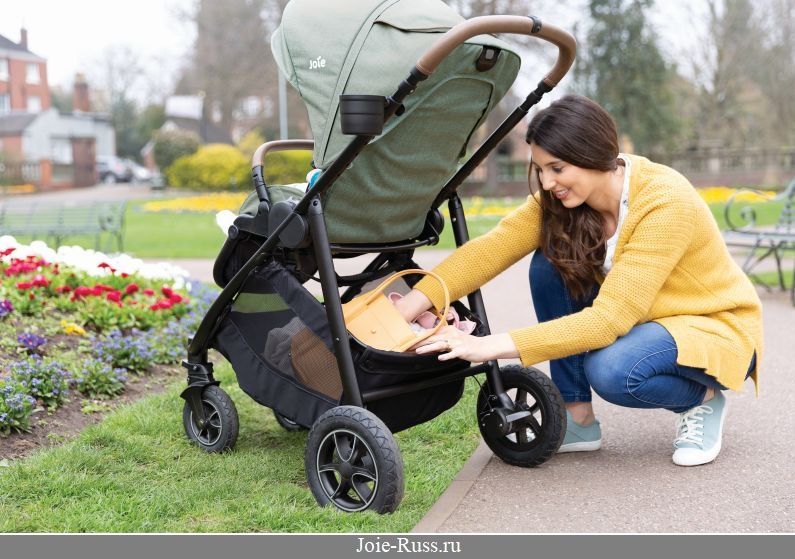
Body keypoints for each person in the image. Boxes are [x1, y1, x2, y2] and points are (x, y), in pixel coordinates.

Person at [394, 95, 763, 467]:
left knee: (613, 369)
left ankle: (702, 400)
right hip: (649, 319)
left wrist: (488, 346)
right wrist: (412, 304)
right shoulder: (565, 200)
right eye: (540, 169)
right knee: (550, 262)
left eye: (557, 168)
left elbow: (607, 322)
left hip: (712, 324)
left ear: (594, 156)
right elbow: (490, 249)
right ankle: (578, 417)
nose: (547, 182)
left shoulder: (665, 202)